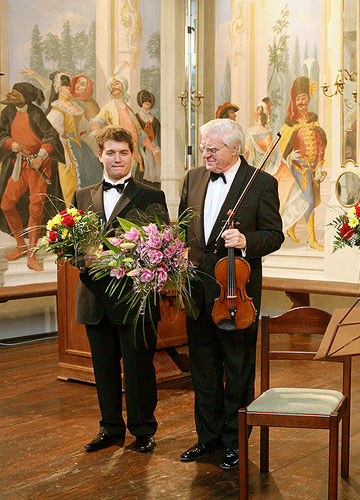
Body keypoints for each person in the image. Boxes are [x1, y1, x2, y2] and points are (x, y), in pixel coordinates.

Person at [178, 119, 284, 470]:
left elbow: (274, 235)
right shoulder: (192, 179)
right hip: (197, 289)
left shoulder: (261, 183)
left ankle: (233, 441)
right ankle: (206, 438)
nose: (205, 153)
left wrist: (246, 241)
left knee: (237, 368)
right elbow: (183, 228)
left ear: (235, 149)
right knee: (203, 368)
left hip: (236, 293)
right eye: (204, 146)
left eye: (213, 148)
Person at [72, 125, 168, 455]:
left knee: (139, 369)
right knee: (104, 368)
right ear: (100, 155)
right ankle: (110, 428)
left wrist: (125, 259)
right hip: (94, 298)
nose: (117, 158)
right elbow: (70, 246)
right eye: (110, 152)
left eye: (123, 153)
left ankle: (143, 430)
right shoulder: (81, 196)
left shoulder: (152, 196)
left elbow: (161, 247)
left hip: (134, 299)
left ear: (133, 156)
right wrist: (85, 259)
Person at [0, 82, 64, 271]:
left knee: (35, 210)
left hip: (38, 166)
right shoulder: (8, 112)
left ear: (25, 97)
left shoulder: (36, 113)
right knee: (6, 204)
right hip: (19, 164)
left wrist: (41, 156)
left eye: (17, 94)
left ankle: (32, 254)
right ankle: (21, 245)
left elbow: (51, 137)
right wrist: (13, 145)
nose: (12, 97)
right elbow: (1, 133)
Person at [90, 65, 161, 186]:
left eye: (117, 84)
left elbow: (140, 134)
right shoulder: (109, 107)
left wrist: (153, 150)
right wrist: (96, 125)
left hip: (133, 155)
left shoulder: (130, 110)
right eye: (112, 85)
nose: (114, 87)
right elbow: (98, 120)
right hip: (117, 153)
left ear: (123, 86)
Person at [279, 76, 327, 250]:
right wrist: (289, 158)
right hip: (297, 168)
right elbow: (282, 147)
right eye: (298, 99)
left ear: (308, 99)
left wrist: (320, 165)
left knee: (306, 200)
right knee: (306, 200)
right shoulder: (290, 124)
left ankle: (292, 228)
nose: (301, 102)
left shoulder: (314, 122)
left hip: (311, 168)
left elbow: (321, 144)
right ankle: (312, 239)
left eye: (303, 98)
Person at [245, 97, 306, 232]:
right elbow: (250, 155)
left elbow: (273, 153)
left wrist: (287, 159)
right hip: (262, 168)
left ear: (261, 113)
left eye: (257, 109)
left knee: (287, 182)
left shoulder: (266, 132)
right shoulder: (254, 132)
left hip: (269, 167)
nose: (255, 112)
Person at [47, 75, 102, 203]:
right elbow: (53, 134)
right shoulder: (57, 109)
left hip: (81, 149)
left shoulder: (75, 106)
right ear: (59, 88)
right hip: (65, 150)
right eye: (65, 85)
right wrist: (64, 150)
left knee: (93, 176)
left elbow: (84, 129)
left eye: (68, 85)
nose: (69, 88)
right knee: (71, 184)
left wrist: (93, 130)